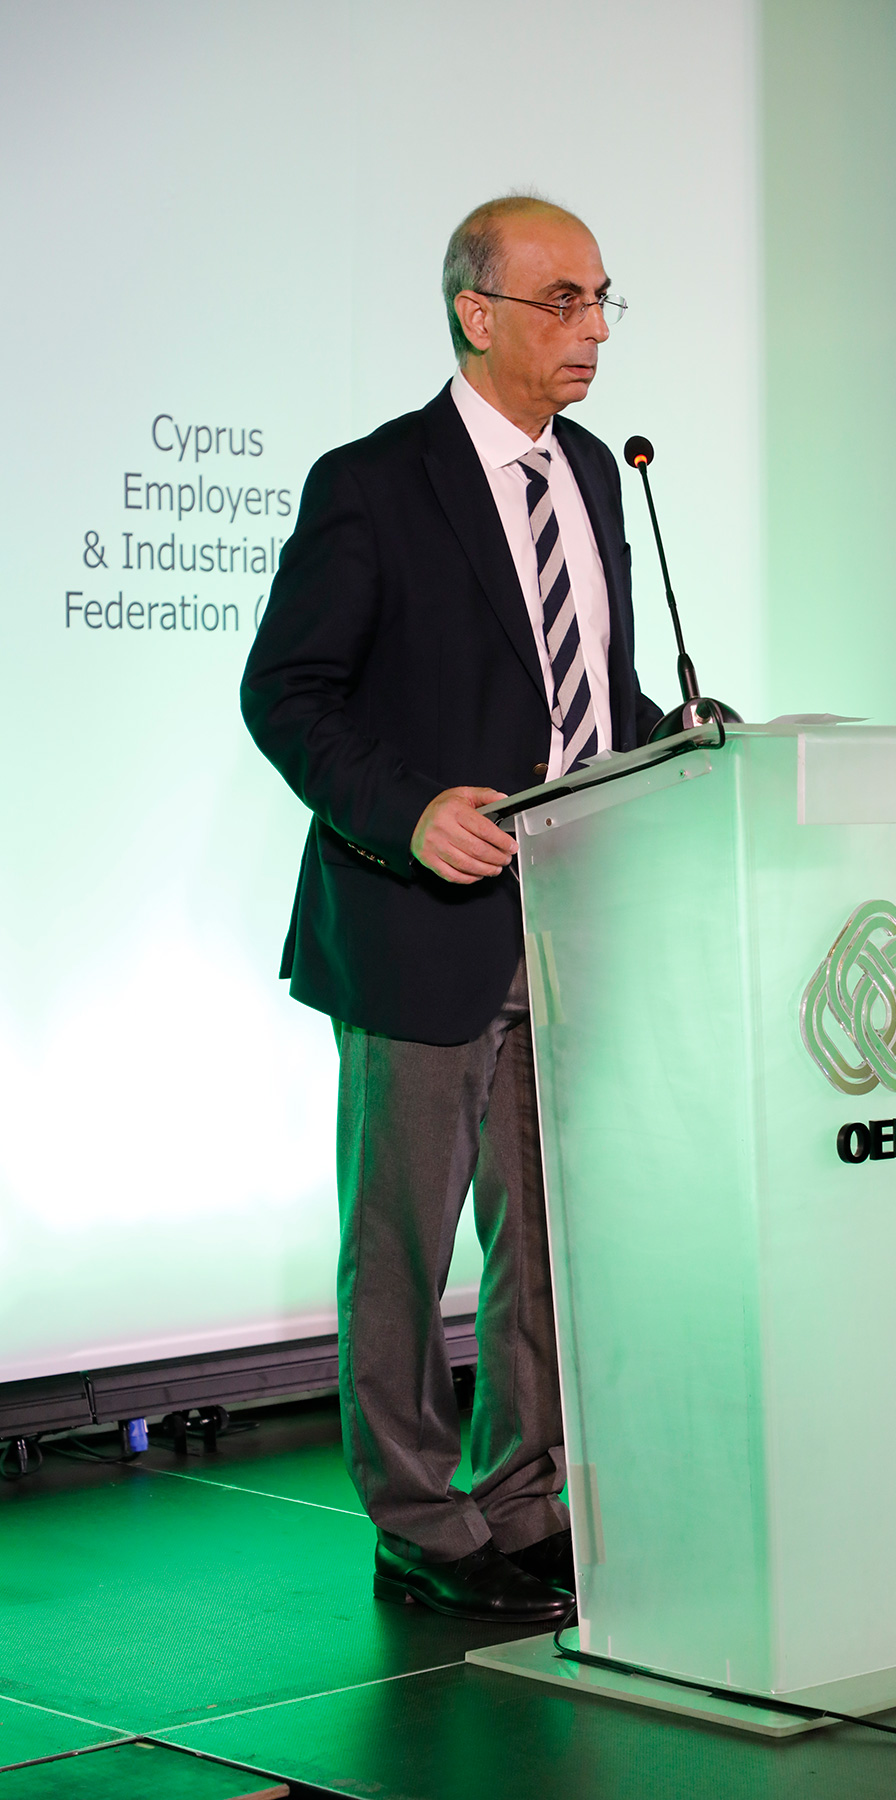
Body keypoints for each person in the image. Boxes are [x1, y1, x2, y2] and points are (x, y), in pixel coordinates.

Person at [240, 195, 661, 1622]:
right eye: (562, 301)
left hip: (568, 922)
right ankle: (421, 1523)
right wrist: (410, 810)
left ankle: (523, 1502)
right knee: (405, 1252)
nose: (592, 328)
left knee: (546, 1243)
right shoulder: (374, 483)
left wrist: (684, 735)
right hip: (418, 924)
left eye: (601, 299)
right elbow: (288, 694)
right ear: (477, 314)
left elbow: (582, 695)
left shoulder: (594, 473)